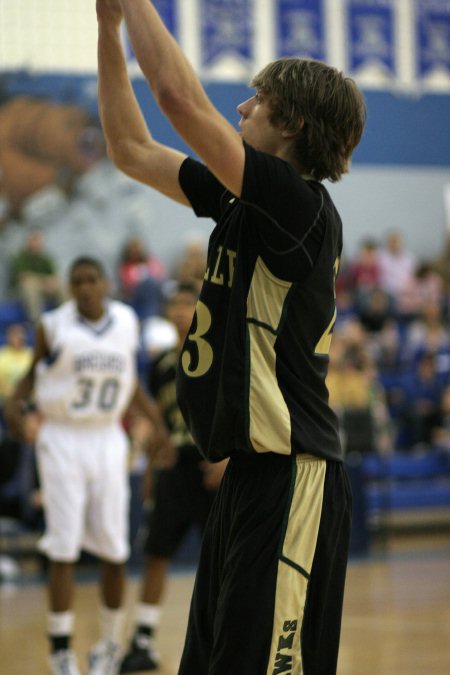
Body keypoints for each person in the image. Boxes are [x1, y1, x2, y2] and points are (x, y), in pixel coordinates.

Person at [96, 2, 366, 673]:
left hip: (291, 474)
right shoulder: (241, 201)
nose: (241, 108)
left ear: (292, 124)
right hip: (249, 476)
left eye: (257, 98)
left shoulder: (297, 205)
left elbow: (179, 101)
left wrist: (132, 7)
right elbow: (130, 149)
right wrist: (106, 34)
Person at [4, 256, 171, 675]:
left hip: (108, 438)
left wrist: (157, 424)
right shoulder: (53, 325)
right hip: (62, 437)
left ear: (106, 283)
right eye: (76, 281)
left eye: (92, 279)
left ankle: (109, 646)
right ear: (68, 286)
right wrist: (15, 406)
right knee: (63, 547)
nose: (84, 287)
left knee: (115, 549)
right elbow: (28, 381)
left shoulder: (127, 320)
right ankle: (61, 649)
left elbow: (130, 381)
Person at [120, 281, 227, 673]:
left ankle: (225, 636)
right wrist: (150, 468)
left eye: (187, 302)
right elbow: (158, 423)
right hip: (173, 467)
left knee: (221, 560)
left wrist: (228, 459)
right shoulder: (163, 364)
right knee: (156, 553)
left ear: (200, 307)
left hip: (210, 464)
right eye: (174, 304)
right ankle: (144, 637)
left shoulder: (220, 351)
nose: (181, 310)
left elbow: (235, 408)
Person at [9, 229, 64, 323]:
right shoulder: (20, 257)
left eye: (37, 241)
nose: (35, 244)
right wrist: (43, 280)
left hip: (43, 287)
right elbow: (24, 277)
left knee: (62, 284)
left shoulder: (45, 259)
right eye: (33, 241)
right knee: (30, 286)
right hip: (20, 291)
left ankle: (66, 317)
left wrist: (50, 282)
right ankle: (36, 322)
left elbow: (54, 276)